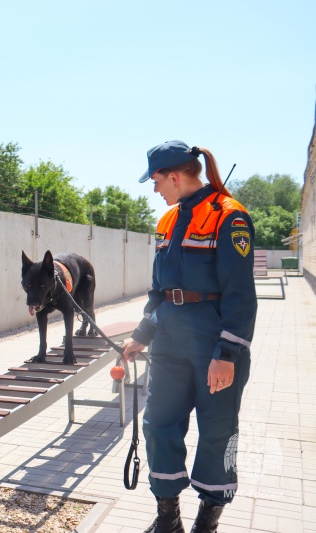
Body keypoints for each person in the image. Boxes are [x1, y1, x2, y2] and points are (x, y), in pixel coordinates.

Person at [121, 141, 256, 533]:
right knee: (157, 424)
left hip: (213, 344)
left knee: (216, 432)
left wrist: (227, 353)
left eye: (157, 180)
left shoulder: (228, 217)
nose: (155, 189)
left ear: (175, 177)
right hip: (169, 343)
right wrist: (142, 334)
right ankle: (169, 520)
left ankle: (206, 524)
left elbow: (240, 294)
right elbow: (157, 290)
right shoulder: (166, 222)